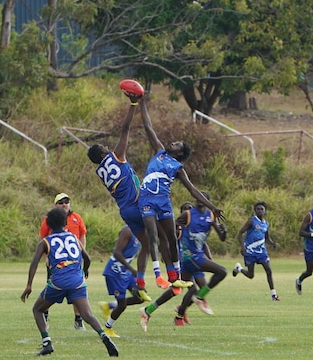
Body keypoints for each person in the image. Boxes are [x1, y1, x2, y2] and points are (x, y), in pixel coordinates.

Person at [137, 97, 224, 289]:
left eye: (177, 144)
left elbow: (192, 190)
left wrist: (213, 207)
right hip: (146, 199)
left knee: (170, 238)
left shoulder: (177, 167)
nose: (173, 143)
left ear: (180, 153)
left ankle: (174, 275)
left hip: (163, 201)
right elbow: (148, 127)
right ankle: (158, 275)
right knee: (152, 234)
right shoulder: (159, 151)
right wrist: (141, 102)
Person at [21, 207, 119, 357]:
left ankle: (47, 343)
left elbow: (34, 263)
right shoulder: (73, 237)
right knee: (87, 315)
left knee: (37, 310)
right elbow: (87, 258)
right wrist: (85, 270)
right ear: (65, 221)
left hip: (58, 282)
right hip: (77, 281)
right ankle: (104, 336)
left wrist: (29, 285)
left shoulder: (45, 242)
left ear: (48, 224)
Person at [87, 94, 154, 297]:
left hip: (125, 211)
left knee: (147, 245)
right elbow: (125, 129)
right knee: (161, 233)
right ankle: (171, 272)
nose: (109, 148)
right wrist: (133, 104)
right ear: (103, 153)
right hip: (137, 203)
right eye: (105, 148)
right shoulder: (116, 156)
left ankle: (140, 280)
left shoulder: (100, 172)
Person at [139, 198, 228, 331]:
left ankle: (150, 310)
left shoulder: (197, 224)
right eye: (185, 209)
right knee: (195, 289)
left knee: (179, 290)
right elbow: (167, 241)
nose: (188, 211)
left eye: (190, 208)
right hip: (185, 261)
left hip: (196, 259)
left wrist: (210, 257)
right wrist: (166, 256)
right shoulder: (178, 228)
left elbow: (203, 243)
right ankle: (181, 313)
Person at [39, 193, 88, 329]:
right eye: (60, 202)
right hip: (56, 262)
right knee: (50, 290)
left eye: (66, 202)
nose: (64, 204)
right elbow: (42, 237)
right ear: (56, 205)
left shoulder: (76, 218)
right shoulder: (50, 219)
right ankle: (45, 317)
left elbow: (82, 235)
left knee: (77, 290)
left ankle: (78, 320)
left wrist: (82, 253)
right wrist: (46, 257)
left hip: (73, 263)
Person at [98, 225, 146, 337]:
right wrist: (131, 269)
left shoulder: (142, 232)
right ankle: (107, 328)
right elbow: (117, 253)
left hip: (125, 272)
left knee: (140, 297)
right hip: (115, 272)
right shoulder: (128, 231)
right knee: (122, 305)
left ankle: (109, 306)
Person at [232, 201, 280, 300]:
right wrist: (242, 246)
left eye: (262, 209)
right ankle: (239, 268)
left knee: (268, 270)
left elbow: (267, 238)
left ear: (265, 211)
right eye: (258, 209)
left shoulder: (266, 224)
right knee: (251, 275)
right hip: (250, 251)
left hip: (262, 251)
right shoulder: (252, 221)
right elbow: (240, 233)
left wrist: (273, 244)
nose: (260, 211)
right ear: (255, 210)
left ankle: (273, 295)